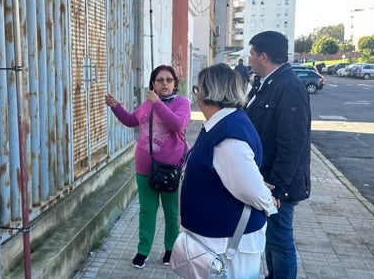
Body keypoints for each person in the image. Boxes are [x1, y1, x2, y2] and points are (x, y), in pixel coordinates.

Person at [179, 63, 277, 278]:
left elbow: (251, 190)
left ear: (209, 92)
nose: (197, 95)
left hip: (227, 246)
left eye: (198, 89)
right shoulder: (223, 124)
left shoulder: (228, 136)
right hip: (216, 241)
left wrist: (268, 201)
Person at [105, 65, 191, 269]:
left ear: (175, 84)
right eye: (160, 80)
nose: (164, 83)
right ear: (153, 83)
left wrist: (158, 104)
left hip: (170, 169)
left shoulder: (182, 103)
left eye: (169, 80)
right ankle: (143, 250)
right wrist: (116, 106)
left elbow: (178, 125)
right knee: (147, 211)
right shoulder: (146, 104)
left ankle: (170, 250)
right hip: (144, 169)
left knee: (171, 212)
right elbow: (130, 120)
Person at [244, 31, 311, 279]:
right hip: (267, 180)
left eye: (252, 54)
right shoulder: (267, 84)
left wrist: (278, 188)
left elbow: (293, 143)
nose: (249, 59)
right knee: (272, 240)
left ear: (263, 56)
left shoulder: (289, 87)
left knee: (280, 241)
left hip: (278, 185)